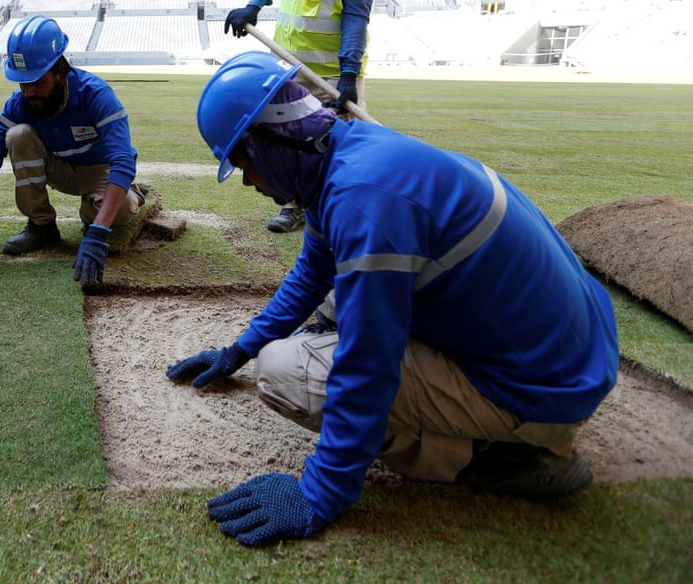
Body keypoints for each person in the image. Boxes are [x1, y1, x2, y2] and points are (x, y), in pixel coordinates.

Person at [167, 52, 619, 547]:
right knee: (329, 310)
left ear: (270, 142)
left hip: (544, 386)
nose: (249, 181)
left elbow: (368, 363)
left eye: (242, 161)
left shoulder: (363, 201)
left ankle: (502, 454)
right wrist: (239, 350)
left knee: (284, 371)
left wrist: (319, 494)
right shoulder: (347, 155)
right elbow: (311, 274)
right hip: (569, 347)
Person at [224, 0, 384, 234]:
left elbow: (356, 19)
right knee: (287, 138)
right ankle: (295, 205)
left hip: (332, 71)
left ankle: (343, 211)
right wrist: (255, 5)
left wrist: (347, 75)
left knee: (337, 145)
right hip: (286, 65)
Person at [0, 15, 142, 286]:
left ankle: (130, 194)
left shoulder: (96, 94)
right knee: (17, 135)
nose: (29, 92)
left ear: (61, 72)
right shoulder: (19, 104)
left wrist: (99, 229)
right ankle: (42, 227)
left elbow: (123, 160)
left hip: (101, 169)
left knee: (117, 212)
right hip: (59, 168)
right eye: (23, 83)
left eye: (37, 82)